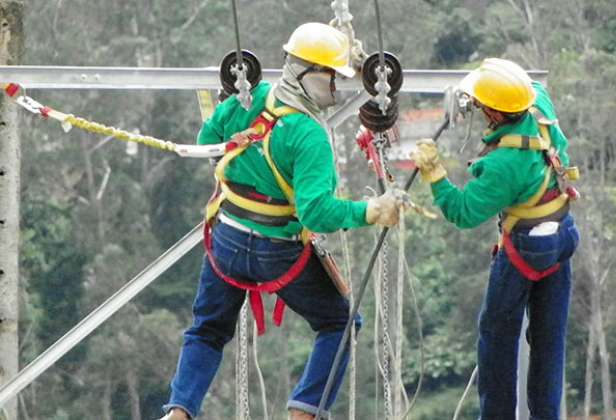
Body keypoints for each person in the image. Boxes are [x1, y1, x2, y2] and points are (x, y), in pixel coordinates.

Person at [160, 22, 402, 420]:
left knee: (207, 329)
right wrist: (370, 211)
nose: (337, 88)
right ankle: (303, 414)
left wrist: (233, 123)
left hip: (227, 241)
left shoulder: (248, 98)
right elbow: (317, 213)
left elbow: (208, 144)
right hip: (277, 251)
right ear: (306, 73)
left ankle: (180, 412)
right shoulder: (309, 137)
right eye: (332, 77)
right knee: (340, 324)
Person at [410, 58, 580, 419]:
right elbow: (527, 87)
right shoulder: (540, 106)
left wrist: (435, 175)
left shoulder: (504, 164)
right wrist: (478, 91)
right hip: (561, 236)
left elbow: (463, 211)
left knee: (497, 339)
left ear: (497, 113)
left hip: (525, 249)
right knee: (549, 341)